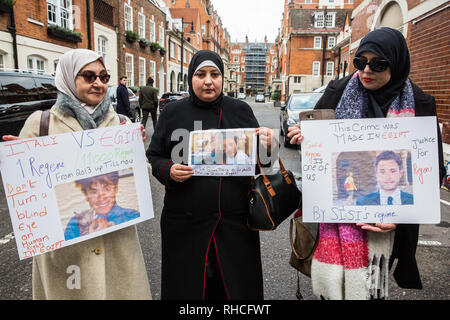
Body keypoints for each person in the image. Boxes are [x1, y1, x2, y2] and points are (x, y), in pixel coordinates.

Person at [287, 27, 445, 299]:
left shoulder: (420, 103)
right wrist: (304, 137)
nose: (366, 70)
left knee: (368, 288)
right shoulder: (338, 91)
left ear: (396, 64)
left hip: (384, 222)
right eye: (360, 62)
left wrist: (399, 217)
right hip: (337, 216)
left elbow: (431, 171)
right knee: (333, 284)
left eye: (378, 64)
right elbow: (316, 150)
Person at [3, 49, 151, 300]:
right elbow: (25, 198)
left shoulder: (119, 123)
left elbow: (142, 182)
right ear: (69, 79)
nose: (98, 83)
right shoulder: (41, 123)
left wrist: (136, 154)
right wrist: (20, 166)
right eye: (89, 76)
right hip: (67, 254)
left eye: (104, 77)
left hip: (116, 246)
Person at [147, 50, 273, 300]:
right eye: (200, 74)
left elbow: (260, 165)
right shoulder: (173, 113)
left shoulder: (240, 110)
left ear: (222, 78)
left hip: (235, 222)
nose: (208, 81)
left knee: (234, 287)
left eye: (215, 74)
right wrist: (168, 170)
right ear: (190, 79)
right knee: (189, 287)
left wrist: (268, 147)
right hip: (185, 222)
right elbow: (154, 155)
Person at [64, 171, 140, 240]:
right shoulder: (75, 223)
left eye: (107, 189)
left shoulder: (133, 215)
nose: (102, 197)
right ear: (86, 195)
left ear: (115, 189)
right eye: (94, 192)